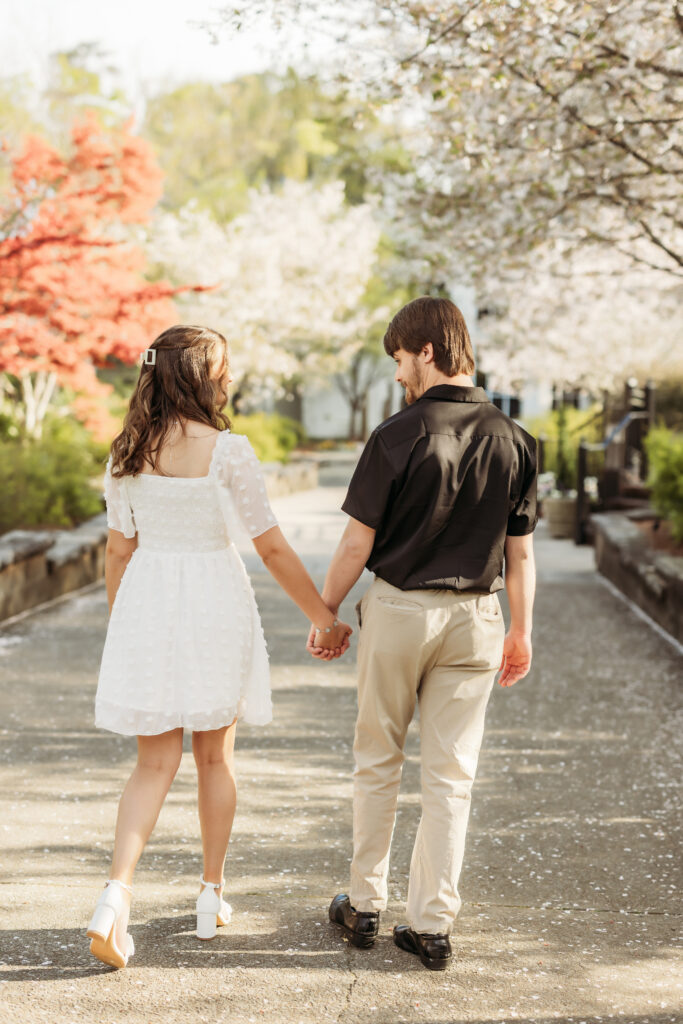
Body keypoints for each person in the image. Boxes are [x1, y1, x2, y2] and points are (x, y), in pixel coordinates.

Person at [87, 325, 351, 969]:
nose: (229, 379)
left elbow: (118, 553)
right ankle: (210, 893)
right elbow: (271, 547)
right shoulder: (229, 451)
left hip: (148, 604)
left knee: (153, 764)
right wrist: (324, 616)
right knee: (214, 759)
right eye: (224, 368)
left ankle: (114, 895)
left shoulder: (126, 453)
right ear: (204, 376)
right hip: (213, 600)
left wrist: (127, 627)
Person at [309, 297, 537, 971]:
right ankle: (431, 926)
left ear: (428, 352)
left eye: (401, 359)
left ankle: (363, 905)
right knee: (451, 776)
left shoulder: (397, 434)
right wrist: (520, 631)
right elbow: (519, 553)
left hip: (401, 611)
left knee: (377, 757)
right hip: (477, 619)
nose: (399, 373)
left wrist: (325, 613)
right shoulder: (514, 439)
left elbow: (357, 541)